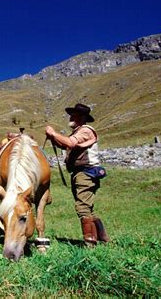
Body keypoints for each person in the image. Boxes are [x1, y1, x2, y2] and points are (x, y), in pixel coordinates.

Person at [45, 103, 109, 247]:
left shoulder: (86, 130)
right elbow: (65, 144)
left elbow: (70, 143)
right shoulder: (79, 131)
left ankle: (90, 244)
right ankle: (102, 239)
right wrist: (53, 138)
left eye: (74, 115)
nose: (71, 117)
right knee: (88, 208)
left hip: (86, 173)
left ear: (81, 117)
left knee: (82, 208)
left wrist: (54, 133)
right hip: (81, 173)